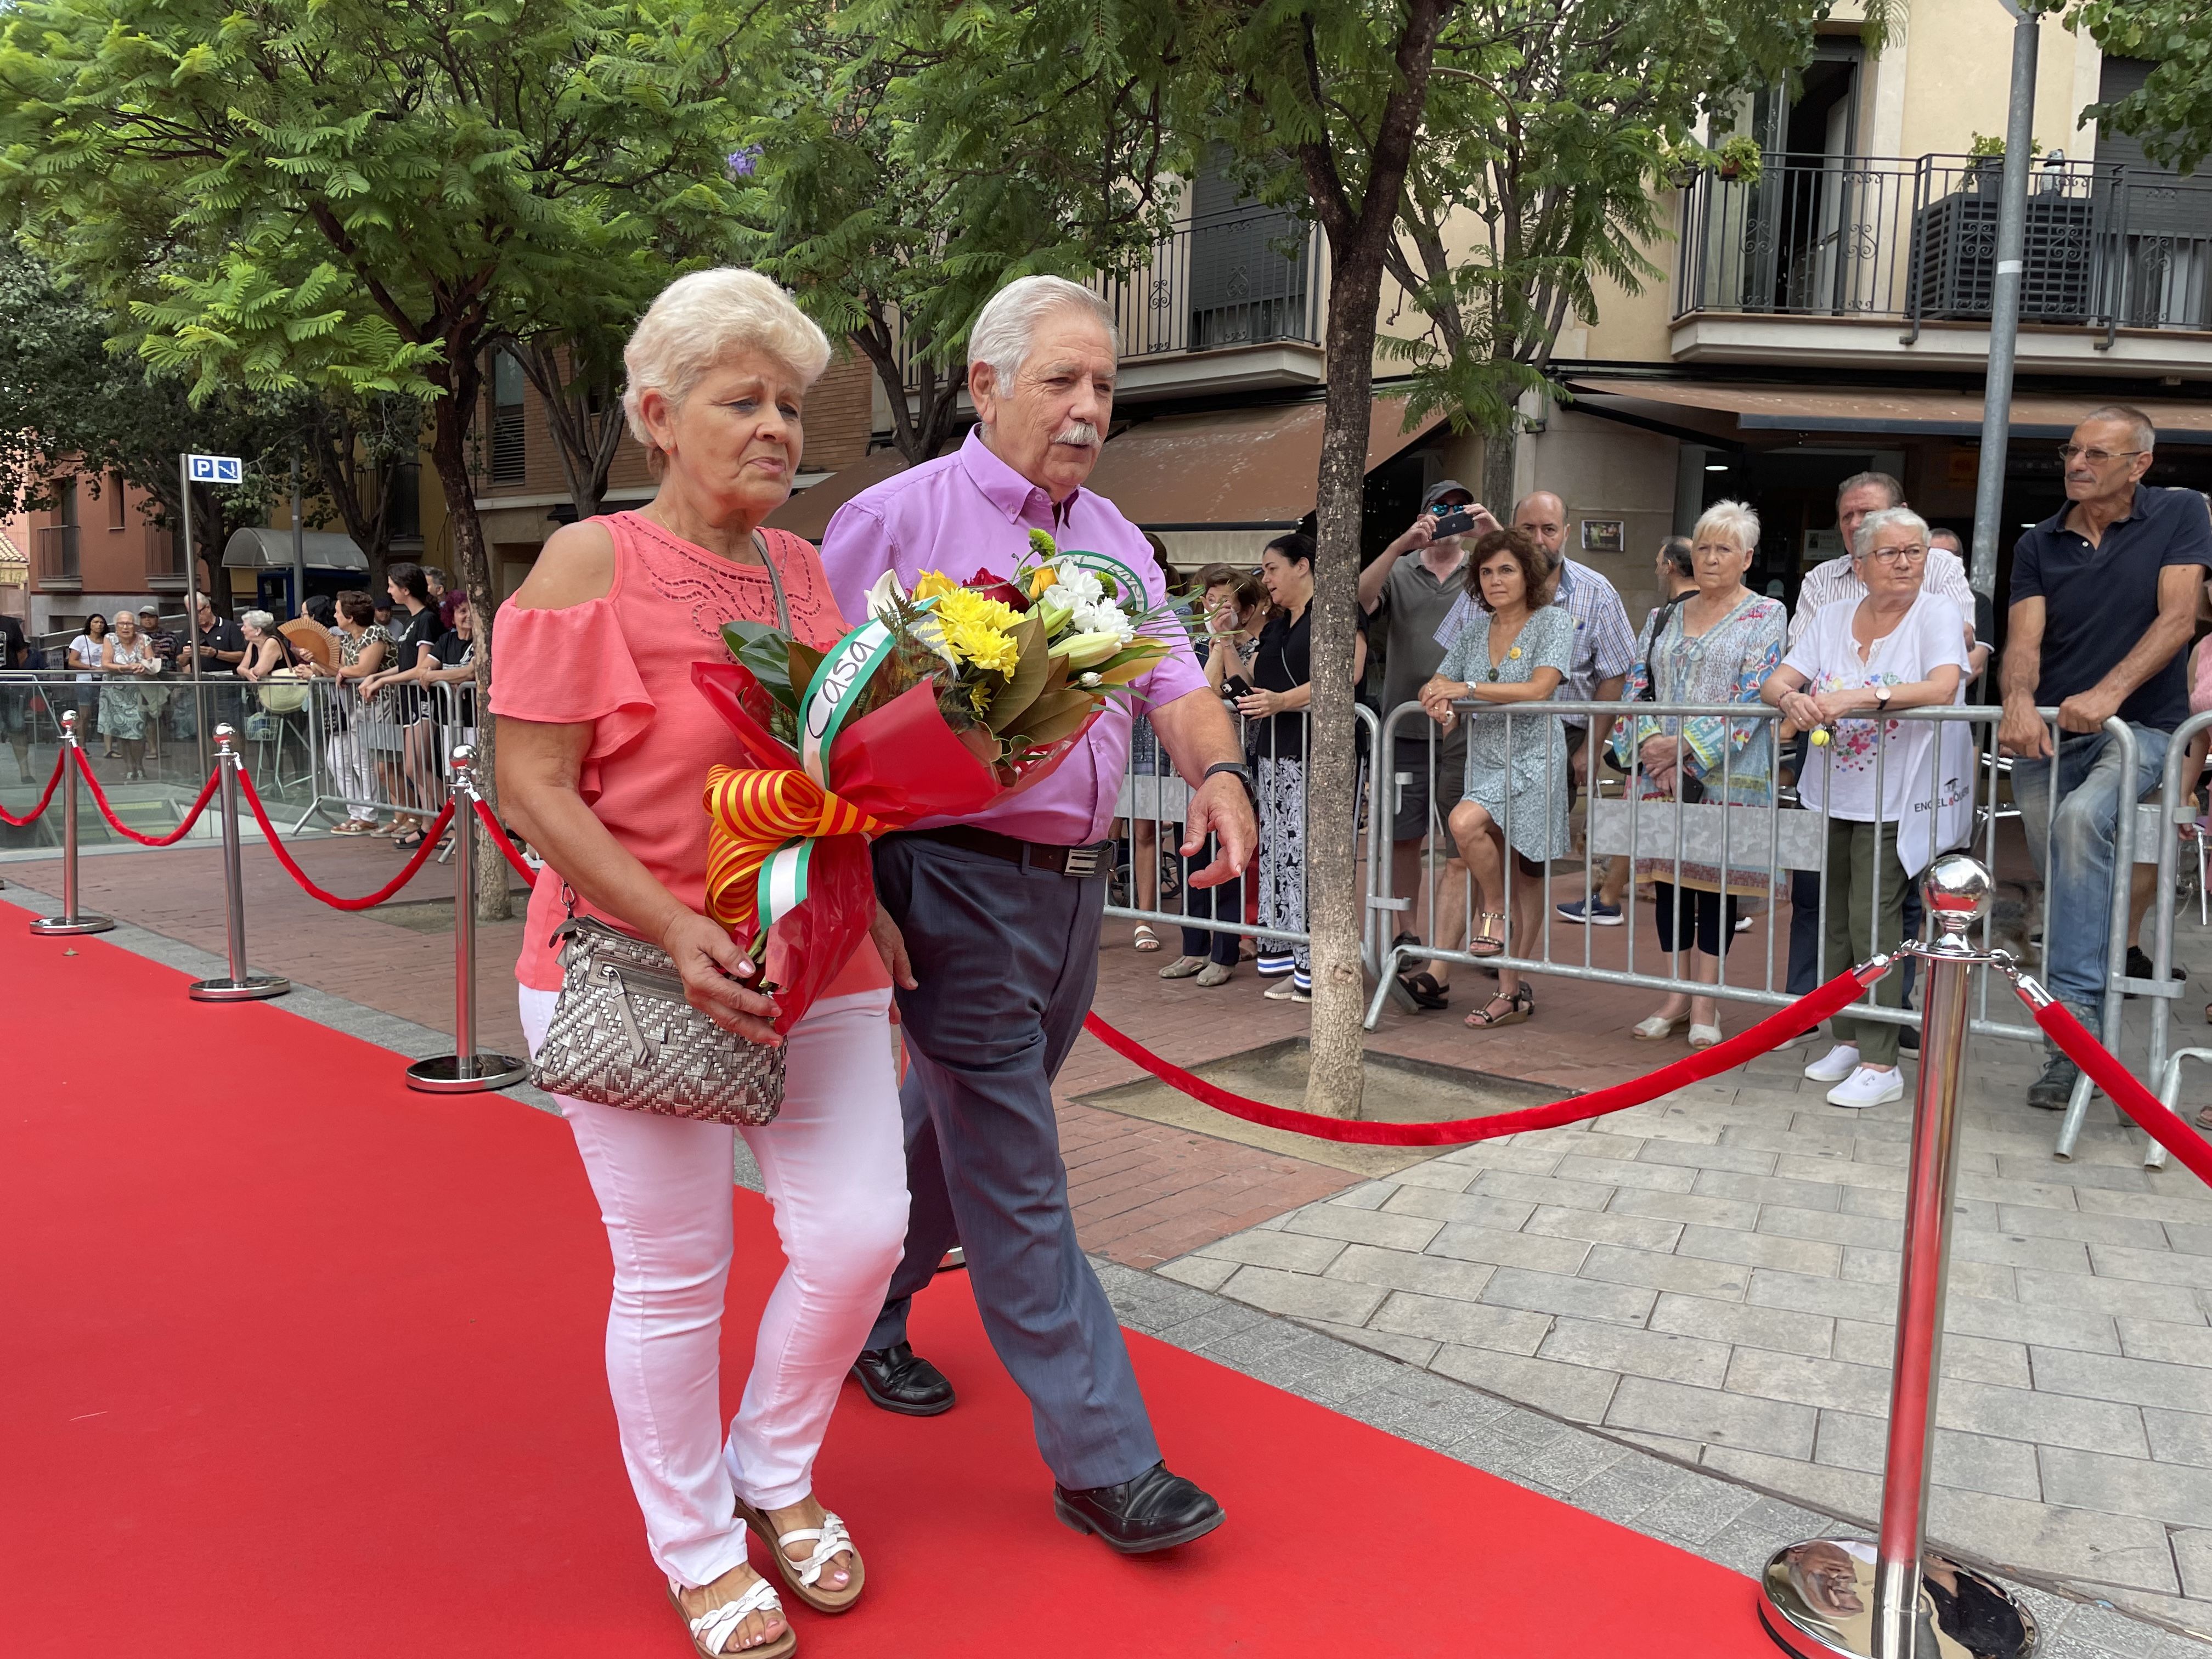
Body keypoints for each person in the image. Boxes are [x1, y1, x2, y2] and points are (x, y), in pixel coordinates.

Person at [494, 268, 909, 1658]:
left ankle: (772, 1469)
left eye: (792, 404)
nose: (779, 427)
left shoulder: (804, 571)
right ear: (658, 416)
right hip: (630, 963)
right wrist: (673, 926)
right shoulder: (586, 564)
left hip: (815, 958)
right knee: (675, 1276)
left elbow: (824, 763)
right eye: (745, 401)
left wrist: (870, 891)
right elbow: (534, 788)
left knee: (860, 1236)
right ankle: (695, 1540)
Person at [820, 273, 1254, 1555]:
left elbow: (1175, 681)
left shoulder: (1119, 538)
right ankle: (1104, 1459)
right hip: (944, 881)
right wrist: (853, 892)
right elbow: (821, 721)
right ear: (986, 383)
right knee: (1018, 1172)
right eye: (1061, 380)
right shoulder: (890, 521)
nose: (1086, 409)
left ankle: (867, 1316)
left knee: (955, 1129)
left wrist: (1219, 773)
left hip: (1075, 893)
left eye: (1105, 387)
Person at [2001, 406, 2211, 1110]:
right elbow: (2024, 641)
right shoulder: (2040, 541)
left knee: (2081, 823)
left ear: (2139, 463)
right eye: (2071, 451)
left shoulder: (2180, 512)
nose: (2077, 464)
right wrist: (2019, 701)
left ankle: (2077, 1046)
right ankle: (2074, 1045)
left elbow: (2179, 617)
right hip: (2051, 735)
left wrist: (2108, 693)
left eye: (2096, 453)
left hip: (2142, 727)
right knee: (2067, 885)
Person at [1763, 508, 1969, 1107]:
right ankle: (1849, 1036)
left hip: (1899, 793)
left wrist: (1862, 695)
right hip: (1832, 790)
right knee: (1832, 919)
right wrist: (1791, 703)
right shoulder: (1830, 614)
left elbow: (1941, 687)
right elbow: (1779, 679)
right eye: (1890, 553)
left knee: (1873, 922)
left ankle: (1883, 1061)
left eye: (1915, 552)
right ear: (1860, 563)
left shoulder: (1935, 611)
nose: (1905, 563)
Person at [1610, 501, 1785, 1048]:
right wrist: (1647, 745)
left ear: (1747, 558)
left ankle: (1706, 1000)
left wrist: (1684, 747)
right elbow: (1637, 685)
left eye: (1724, 549)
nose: (1711, 559)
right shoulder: (1663, 616)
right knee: (1668, 886)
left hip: (1727, 776)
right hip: (1660, 776)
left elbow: (1754, 694)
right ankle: (1675, 995)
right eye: (1704, 547)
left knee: (1715, 888)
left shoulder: (1766, 615)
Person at [1419, 528, 1572, 1030]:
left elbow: (1540, 688)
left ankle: (1497, 917)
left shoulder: (1554, 622)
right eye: (1486, 572)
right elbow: (1445, 688)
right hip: (1484, 758)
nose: (1495, 580)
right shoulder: (1472, 631)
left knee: (1486, 840)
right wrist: (1441, 705)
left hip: (1535, 760)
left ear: (1527, 574)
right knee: (1478, 839)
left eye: (1506, 569)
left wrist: (1464, 687)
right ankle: (1510, 988)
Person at [1361, 480, 1488, 1003]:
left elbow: (1535, 589)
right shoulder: (1403, 568)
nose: (1452, 518)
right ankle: (1405, 935)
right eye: (1443, 509)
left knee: (1466, 841)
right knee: (1402, 836)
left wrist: (1493, 535)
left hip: (1465, 729)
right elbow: (1358, 599)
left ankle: (1469, 940)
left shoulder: (1483, 568)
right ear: (1425, 514)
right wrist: (1399, 545)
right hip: (1406, 726)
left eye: (1461, 510)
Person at [1237, 531, 1366, 1003]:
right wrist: (1223, 642)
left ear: (1303, 566)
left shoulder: (1337, 612)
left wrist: (1283, 701)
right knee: (1281, 858)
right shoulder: (1275, 626)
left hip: (1321, 754)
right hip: (1275, 753)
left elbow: (1346, 675)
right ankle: (1292, 960)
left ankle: (1321, 966)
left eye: (1272, 568)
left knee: (1315, 857)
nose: (1265, 578)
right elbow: (1250, 684)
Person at [1564, 535, 1696, 927]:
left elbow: (1639, 675)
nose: (1657, 568)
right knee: (1642, 819)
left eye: (1659, 560)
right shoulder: (1675, 614)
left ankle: (1614, 897)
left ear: (1670, 565)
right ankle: (1608, 895)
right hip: (1670, 736)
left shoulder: (1669, 616)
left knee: (1652, 820)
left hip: (1664, 736)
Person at [1160, 562, 1262, 985]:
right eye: (1210, 598)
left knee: (1227, 857)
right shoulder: (1193, 645)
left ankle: (1224, 953)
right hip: (1194, 768)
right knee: (1192, 856)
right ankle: (1192, 949)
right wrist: (1216, 643)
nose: (1217, 606)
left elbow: (1243, 688)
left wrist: (1229, 644)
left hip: (1237, 765)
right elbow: (1201, 692)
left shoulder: (1255, 645)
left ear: (1243, 605)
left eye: (1226, 599)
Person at [365, 562, 445, 849]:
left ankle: (452, 816)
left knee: (414, 767)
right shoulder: (412, 621)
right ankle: (429, 825)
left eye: (391, 585)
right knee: (415, 767)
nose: (388, 591)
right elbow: (405, 665)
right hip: (410, 702)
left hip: (425, 702)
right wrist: (376, 676)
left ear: (406, 589)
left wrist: (382, 682)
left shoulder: (426, 620)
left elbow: (421, 668)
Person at [296, 589, 388, 834]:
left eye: (339, 611)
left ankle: (368, 813)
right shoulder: (348, 639)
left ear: (350, 615)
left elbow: (361, 669)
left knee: (363, 761)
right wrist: (321, 665)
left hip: (376, 703)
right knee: (336, 760)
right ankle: (356, 811)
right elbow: (341, 668)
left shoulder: (374, 633)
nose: (335, 615)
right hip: (355, 705)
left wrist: (332, 669)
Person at [98, 608, 163, 781]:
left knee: (137, 731)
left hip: (138, 691)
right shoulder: (110, 639)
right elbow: (106, 664)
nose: (125, 627)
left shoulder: (144, 639)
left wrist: (144, 666)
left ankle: (139, 765)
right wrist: (126, 668)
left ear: (134, 626)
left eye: (129, 623)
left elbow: (152, 661)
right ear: (116, 626)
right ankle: (129, 767)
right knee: (120, 731)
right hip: (115, 692)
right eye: (121, 623)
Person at [179, 595, 247, 743]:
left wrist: (215, 653)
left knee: (232, 727)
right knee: (206, 728)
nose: (195, 617)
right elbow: (180, 660)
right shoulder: (189, 631)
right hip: (202, 683)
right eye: (190, 614)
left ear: (208, 608)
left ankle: (237, 763)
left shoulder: (229, 628)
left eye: (198, 612)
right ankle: (212, 765)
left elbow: (242, 656)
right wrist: (186, 656)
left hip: (228, 682)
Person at [135, 606, 176, 764]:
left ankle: (161, 746)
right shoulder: (137, 637)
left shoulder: (170, 636)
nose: (147, 620)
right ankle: (153, 748)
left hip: (167, 678)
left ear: (157, 618)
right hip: (147, 680)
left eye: (150, 617)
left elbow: (176, 655)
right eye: (144, 617)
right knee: (150, 714)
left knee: (165, 715)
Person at [66, 612, 108, 754]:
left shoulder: (107, 641)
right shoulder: (81, 640)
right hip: (85, 681)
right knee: (85, 714)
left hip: (105, 680)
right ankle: (82, 746)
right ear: (90, 624)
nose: (99, 625)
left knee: (106, 713)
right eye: (96, 622)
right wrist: (91, 668)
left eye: (101, 622)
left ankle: (108, 748)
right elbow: (72, 661)